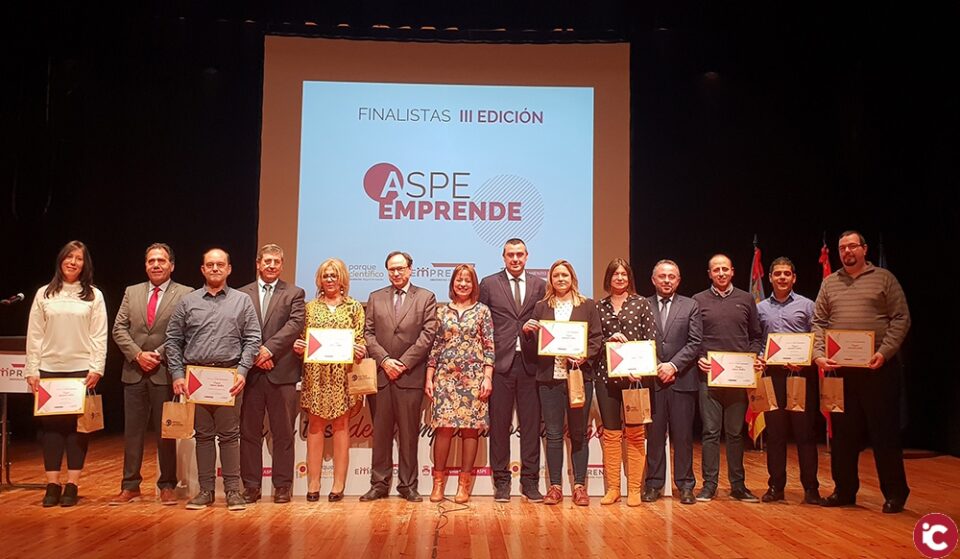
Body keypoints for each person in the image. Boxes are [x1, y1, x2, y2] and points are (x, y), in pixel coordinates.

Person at [813, 231, 911, 514]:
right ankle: (844, 490)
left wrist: (885, 352)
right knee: (843, 435)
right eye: (842, 248)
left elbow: (901, 317)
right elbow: (818, 321)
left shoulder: (884, 279)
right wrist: (819, 354)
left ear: (864, 249)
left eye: (852, 246)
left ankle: (895, 493)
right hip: (841, 371)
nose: (847, 252)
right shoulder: (830, 283)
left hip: (878, 368)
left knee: (885, 434)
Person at [166, 248, 261, 511]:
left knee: (230, 436)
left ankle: (232, 491)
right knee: (204, 436)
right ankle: (206, 491)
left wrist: (242, 371)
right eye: (210, 265)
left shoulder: (242, 301)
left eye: (220, 264)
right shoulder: (188, 302)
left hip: (229, 376)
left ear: (229, 269)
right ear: (203, 269)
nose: (215, 268)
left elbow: (253, 338)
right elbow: (173, 340)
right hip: (196, 377)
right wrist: (177, 374)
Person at [25, 240, 108, 507]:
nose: (73, 262)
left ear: (85, 265)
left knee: (77, 429)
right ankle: (52, 484)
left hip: (81, 371)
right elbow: (35, 335)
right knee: (51, 429)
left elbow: (99, 335)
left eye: (79, 258)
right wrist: (32, 369)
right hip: (49, 368)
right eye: (69, 257)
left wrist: (96, 367)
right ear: (60, 260)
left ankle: (72, 484)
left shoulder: (94, 295)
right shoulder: (43, 294)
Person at [111, 243, 192, 506]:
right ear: (145, 265)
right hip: (134, 371)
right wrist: (137, 354)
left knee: (165, 432)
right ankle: (130, 485)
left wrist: (156, 353)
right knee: (132, 432)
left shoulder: (185, 293)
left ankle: (167, 484)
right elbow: (119, 329)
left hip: (165, 371)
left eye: (161, 260)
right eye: (151, 261)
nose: (156, 265)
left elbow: (183, 332)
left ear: (172, 265)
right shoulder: (131, 292)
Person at [361, 251, 438, 502]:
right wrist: (385, 361)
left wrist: (402, 364)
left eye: (400, 268)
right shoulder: (375, 297)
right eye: (392, 269)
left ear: (410, 269)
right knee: (381, 434)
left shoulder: (426, 297)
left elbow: (427, 336)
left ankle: (408, 485)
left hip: (410, 377)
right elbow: (368, 334)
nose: (396, 273)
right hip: (382, 376)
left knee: (408, 434)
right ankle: (379, 484)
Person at [524, 259, 602, 506]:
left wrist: (584, 354)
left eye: (565, 275)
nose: (560, 279)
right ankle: (555, 487)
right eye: (556, 275)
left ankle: (579, 486)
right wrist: (526, 332)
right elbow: (534, 346)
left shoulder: (587, 305)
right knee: (555, 434)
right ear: (551, 279)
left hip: (579, 377)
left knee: (578, 434)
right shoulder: (541, 307)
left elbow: (597, 338)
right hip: (549, 378)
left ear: (572, 279)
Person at [478, 238, 547, 502]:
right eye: (510, 255)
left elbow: (546, 321)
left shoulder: (540, 285)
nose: (515, 259)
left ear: (527, 256)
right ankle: (502, 482)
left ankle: (530, 482)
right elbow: (483, 323)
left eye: (520, 254)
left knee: (530, 427)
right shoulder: (489, 284)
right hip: (500, 364)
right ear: (503, 257)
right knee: (499, 426)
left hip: (531, 363)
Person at [292, 258, 365, 502]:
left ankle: (338, 484)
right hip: (316, 375)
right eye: (326, 276)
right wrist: (299, 345)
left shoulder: (354, 307)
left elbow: (361, 338)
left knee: (342, 426)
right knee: (315, 425)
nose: (330, 280)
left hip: (343, 375)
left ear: (343, 278)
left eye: (334, 275)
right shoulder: (310, 308)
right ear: (319, 280)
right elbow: (303, 337)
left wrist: (360, 349)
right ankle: (313, 482)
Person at [693, 254, 763, 503]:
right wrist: (699, 357)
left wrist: (753, 355)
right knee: (710, 431)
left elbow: (756, 335)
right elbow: (694, 338)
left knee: (734, 432)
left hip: (738, 377)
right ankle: (709, 485)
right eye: (716, 270)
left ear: (732, 271)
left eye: (725, 269)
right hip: (709, 376)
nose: (721, 273)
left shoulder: (746, 299)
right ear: (709, 274)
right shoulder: (698, 301)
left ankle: (738, 485)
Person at [238, 244, 305, 504]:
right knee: (249, 432)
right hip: (252, 373)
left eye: (276, 261)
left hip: (283, 372)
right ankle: (251, 486)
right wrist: (256, 354)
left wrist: (269, 350)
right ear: (258, 263)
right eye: (267, 261)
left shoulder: (294, 293)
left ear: (282, 264)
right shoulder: (242, 294)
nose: (271, 265)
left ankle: (282, 486)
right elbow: (238, 328)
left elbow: (294, 325)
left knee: (283, 433)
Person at [425, 264, 494, 504]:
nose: (463, 284)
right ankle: (438, 484)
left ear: (474, 284)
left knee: (470, 430)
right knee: (443, 429)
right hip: (445, 377)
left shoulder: (483, 311)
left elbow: (489, 346)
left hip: (474, 378)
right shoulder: (441, 311)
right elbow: (435, 346)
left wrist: (487, 377)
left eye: (467, 280)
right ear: (452, 283)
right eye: (459, 280)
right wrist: (429, 376)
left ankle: (464, 486)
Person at [755, 257, 821, 505]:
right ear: (770, 278)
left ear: (794, 277)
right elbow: (758, 341)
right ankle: (776, 487)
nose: (782, 277)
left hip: (800, 375)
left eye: (786, 274)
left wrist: (805, 359)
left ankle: (811, 489)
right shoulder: (760, 308)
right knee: (776, 434)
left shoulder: (807, 305)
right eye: (777, 274)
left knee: (805, 434)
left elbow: (816, 339)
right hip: (772, 376)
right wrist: (760, 358)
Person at [594, 259, 656, 506]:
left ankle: (634, 489)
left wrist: (640, 369)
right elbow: (593, 342)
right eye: (615, 274)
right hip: (605, 377)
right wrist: (609, 339)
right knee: (610, 433)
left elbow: (651, 340)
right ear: (608, 278)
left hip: (635, 379)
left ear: (629, 278)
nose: (619, 278)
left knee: (636, 433)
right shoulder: (599, 306)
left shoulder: (641, 304)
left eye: (623, 274)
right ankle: (613, 489)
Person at [644, 259, 703, 505]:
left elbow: (695, 341)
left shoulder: (691, 305)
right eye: (662, 276)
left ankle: (685, 485)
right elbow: (639, 339)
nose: (667, 280)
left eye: (672, 276)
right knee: (655, 436)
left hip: (682, 380)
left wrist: (673, 366)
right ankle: (654, 484)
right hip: (653, 379)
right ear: (653, 279)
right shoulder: (642, 305)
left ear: (678, 280)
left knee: (683, 436)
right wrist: (658, 364)